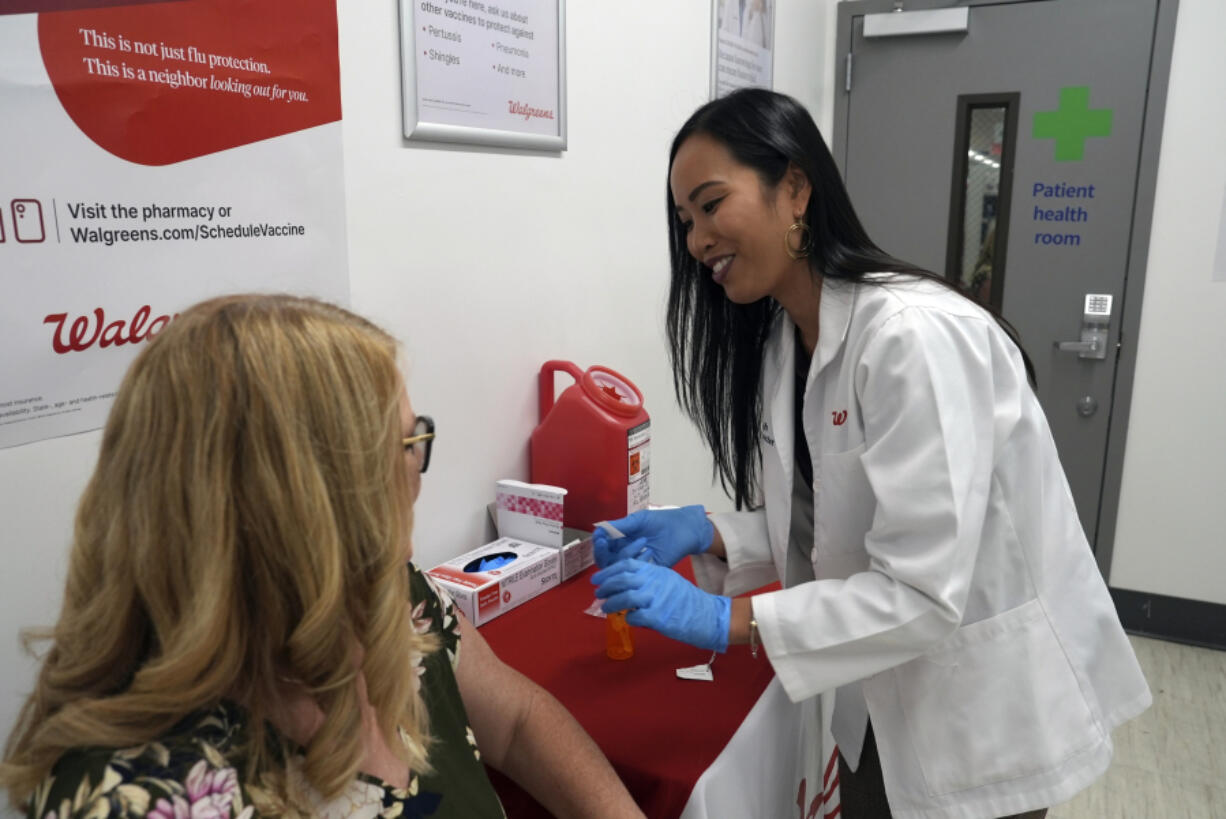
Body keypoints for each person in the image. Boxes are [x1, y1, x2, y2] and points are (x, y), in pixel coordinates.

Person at [591, 89, 1151, 819]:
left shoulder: (911, 338)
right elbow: (831, 526)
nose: (697, 240)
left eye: (710, 203)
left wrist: (728, 621)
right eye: (684, 220)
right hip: (875, 702)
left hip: (976, 717)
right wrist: (709, 529)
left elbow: (919, 590)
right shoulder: (787, 339)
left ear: (794, 187)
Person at [1, 294, 643, 819]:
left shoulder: (394, 596)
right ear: (301, 502)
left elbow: (518, 721)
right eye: (404, 445)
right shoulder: (133, 799)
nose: (417, 472)